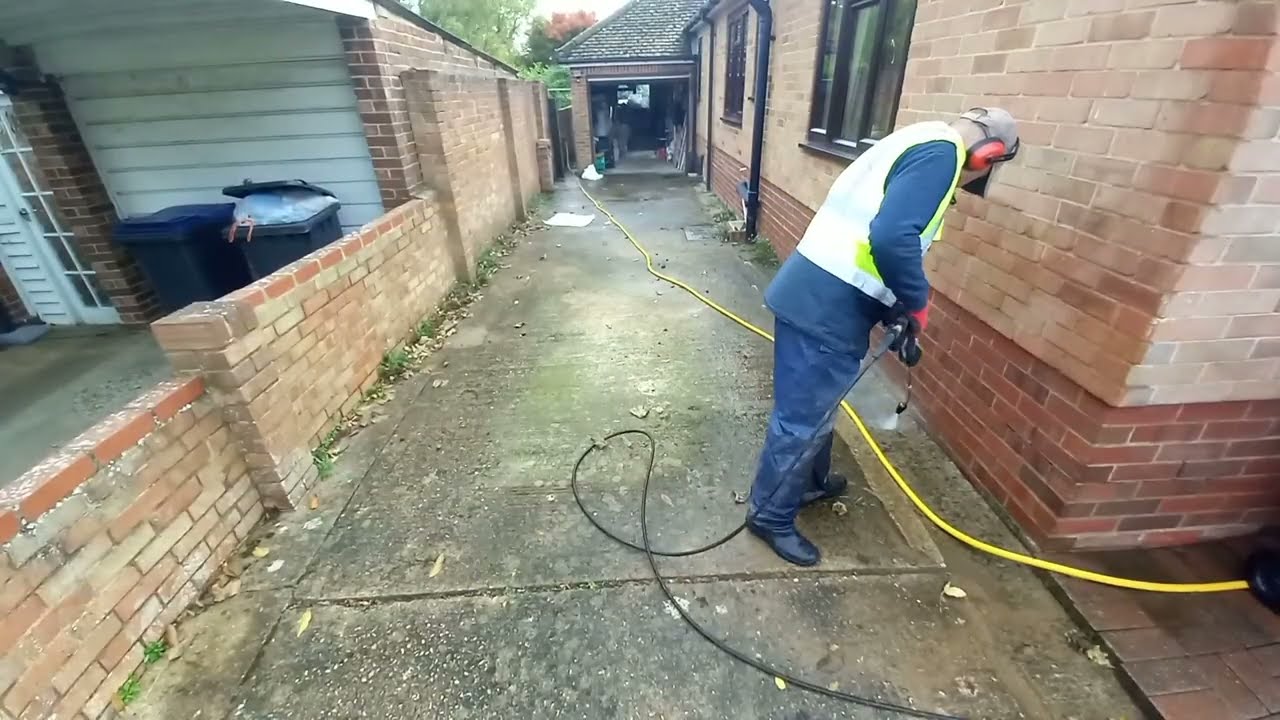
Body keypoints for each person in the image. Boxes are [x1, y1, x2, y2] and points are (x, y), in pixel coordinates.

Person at [747, 107, 1020, 566]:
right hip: (824, 307)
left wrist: (894, 304)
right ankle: (770, 515)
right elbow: (892, 237)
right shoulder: (942, 157)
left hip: (821, 295)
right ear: (989, 154)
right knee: (802, 419)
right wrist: (917, 302)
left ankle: (811, 481)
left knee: (819, 405)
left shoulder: (921, 139)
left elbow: (878, 239)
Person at [592, 97, 613, 166]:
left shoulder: (598, 112)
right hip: (603, 133)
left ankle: (605, 163)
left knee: (602, 150)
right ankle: (606, 163)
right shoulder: (603, 112)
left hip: (600, 133)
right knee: (604, 149)